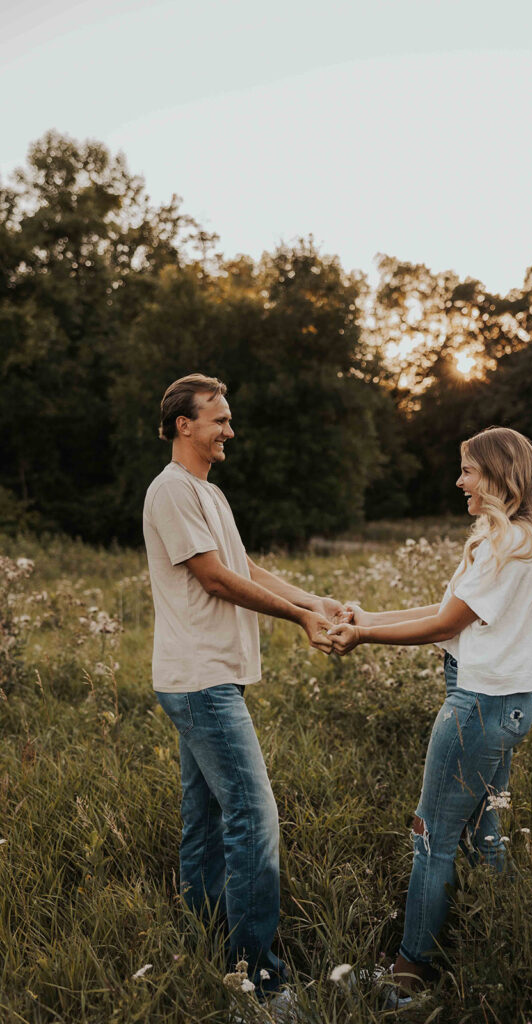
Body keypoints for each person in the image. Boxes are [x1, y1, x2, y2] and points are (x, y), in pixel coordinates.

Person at [329, 426, 532, 999]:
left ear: (498, 475)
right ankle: (510, 941)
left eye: (468, 470)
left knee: (431, 838)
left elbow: (443, 626)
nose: (460, 480)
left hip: (477, 709)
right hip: (511, 707)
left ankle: (409, 976)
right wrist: (370, 616)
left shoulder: (505, 541)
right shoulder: (529, 537)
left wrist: (363, 637)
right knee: (483, 838)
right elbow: (452, 612)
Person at [142, 373, 349, 1002]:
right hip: (201, 682)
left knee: (205, 822)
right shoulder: (170, 492)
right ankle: (260, 983)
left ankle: (211, 951)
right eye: (219, 419)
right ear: (185, 424)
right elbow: (214, 579)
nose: (230, 429)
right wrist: (301, 620)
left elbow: (245, 568)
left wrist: (314, 599)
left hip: (209, 678)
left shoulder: (210, 493)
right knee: (254, 819)